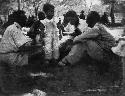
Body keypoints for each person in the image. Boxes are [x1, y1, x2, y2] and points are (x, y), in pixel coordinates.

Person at [0, 10, 44, 95]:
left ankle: (25, 75)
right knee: (40, 53)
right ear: (19, 19)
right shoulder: (15, 29)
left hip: (6, 54)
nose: (26, 20)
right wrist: (38, 47)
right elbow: (23, 48)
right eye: (25, 18)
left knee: (36, 51)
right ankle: (28, 78)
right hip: (10, 56)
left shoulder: (13, 27)